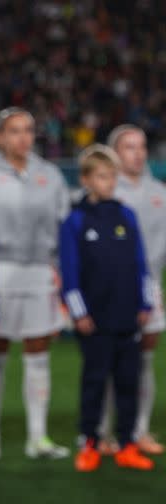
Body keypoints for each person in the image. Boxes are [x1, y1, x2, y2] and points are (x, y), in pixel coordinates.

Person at [0, 107, 70, 461]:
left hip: (40, 272)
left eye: (28, 130)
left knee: (38, 356)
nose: (22, 137)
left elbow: (63, 229)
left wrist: (60, 274)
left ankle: (38, 437)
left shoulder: (51, 175)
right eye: (14, 131)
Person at [59, 145, 154, 472]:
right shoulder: (75, 220)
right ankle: (89, 443)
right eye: (102, 176)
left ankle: (127, 444)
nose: (109, 181)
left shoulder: (126, 215)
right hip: (95, 320)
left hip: (129, 315)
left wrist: (146, 302)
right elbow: (69, 272)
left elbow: (142, 264)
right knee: (94, 383)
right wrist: (79, 312)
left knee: (129, 382)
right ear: (86, 179)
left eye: (112, 175)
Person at [96, 125, 166, 455]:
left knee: (144, 361)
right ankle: (106, 431)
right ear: (114, 153)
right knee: (109, 361)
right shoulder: (106, 194)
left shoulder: (160, 193)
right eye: (128, 147)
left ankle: (139, 430)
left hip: (148, 285)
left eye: (141, 147)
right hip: (110, 289)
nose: (137, 153)